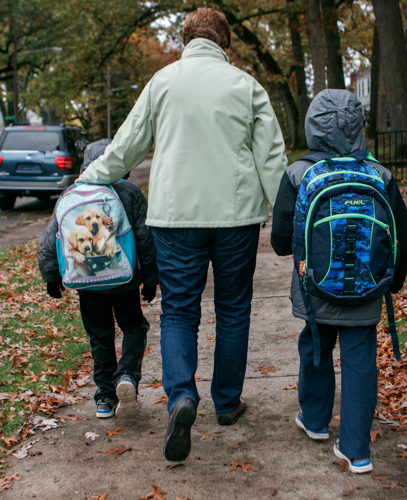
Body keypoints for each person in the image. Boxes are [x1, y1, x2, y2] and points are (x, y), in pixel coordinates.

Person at [79, 8, 287, 461]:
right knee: (233, 309)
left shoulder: (163, 82)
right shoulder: (246, 87)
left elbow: (126, 146)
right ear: (224, 43)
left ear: (186, 39)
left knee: (179, 311)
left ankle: (181, 398)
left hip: (175, 219)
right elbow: (271, 157)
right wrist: (288, 217)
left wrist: (87, 180)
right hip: (236, 217)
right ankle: (228, 403)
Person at [270, 89, 407, 473]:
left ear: (312, 125)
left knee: (316, 348)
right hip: (367, 286)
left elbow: (281, 242)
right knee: (361, 362)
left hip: (315, 286)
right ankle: (356, 450)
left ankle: (315, 421)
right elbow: (401, 234)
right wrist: (392, 282)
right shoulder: (379, 174)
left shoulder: (299, 173)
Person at [39, 139, 158, 419]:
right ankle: (127, 375)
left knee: (100, 335)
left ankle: (105, 397)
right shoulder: (128, 191)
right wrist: (151, 278)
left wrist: (51, 276)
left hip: (86, 282)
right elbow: (144, 236)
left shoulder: (71, 193)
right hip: (124, 279)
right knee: (133, 327)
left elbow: (50, 239)